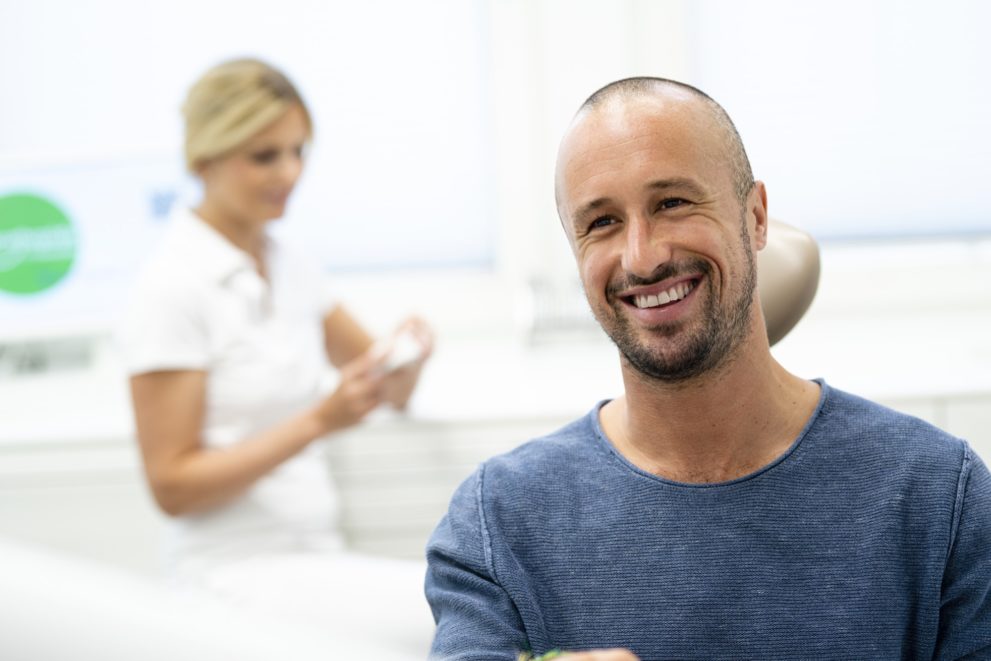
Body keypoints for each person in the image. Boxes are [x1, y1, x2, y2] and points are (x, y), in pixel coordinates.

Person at [425, 77, 991, 660]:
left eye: (671, 203)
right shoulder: (498, 522)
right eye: (602, 223)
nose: (642, 257)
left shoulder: (938, 498)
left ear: (756, 217)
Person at [119, 58, 434, 652]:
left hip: (315, 556)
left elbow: (387, 388)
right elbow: (172, 487)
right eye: (264, 156)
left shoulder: (290, 265)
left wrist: (407, 356)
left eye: (298, 151)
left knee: (477, 599)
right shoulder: (171, 290)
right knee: (466, 607)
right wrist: (319, 419)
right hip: (230, 577)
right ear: (202, 159)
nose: (289, 172)